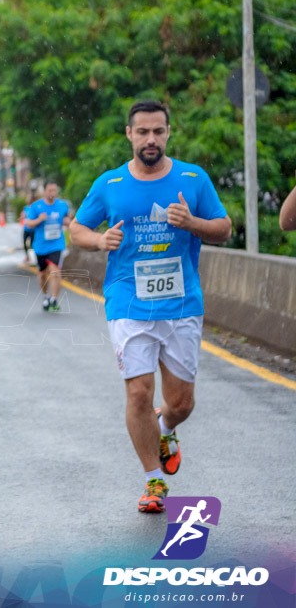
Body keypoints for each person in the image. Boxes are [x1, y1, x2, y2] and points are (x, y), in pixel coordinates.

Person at [69, 100, 231, 514]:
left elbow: (224, 229)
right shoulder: (110, 184)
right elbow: (78, 229)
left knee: (181, 403)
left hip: (181, 304)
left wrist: (192, 223)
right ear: (129, 134)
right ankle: (153, 480)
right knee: (139, 393)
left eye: (158, 131)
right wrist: (99, 241)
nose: (151, 139)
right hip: (128, 301)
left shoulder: (193, 179)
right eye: (142, 132)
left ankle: (166, 427)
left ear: (168, 132)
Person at [25, 182, 71, 311]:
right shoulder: (36, 206)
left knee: (55, 271)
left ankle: (54, 299)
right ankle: (45, 295)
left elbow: (67, 219)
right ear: (44, 191)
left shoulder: (62, 205)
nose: (52, 193)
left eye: (54, 190)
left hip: (57, 244)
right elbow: (28, 224)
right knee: (42, 274)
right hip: (41, 246)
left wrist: (68, 222)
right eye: (50, 190)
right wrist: (39, 220)